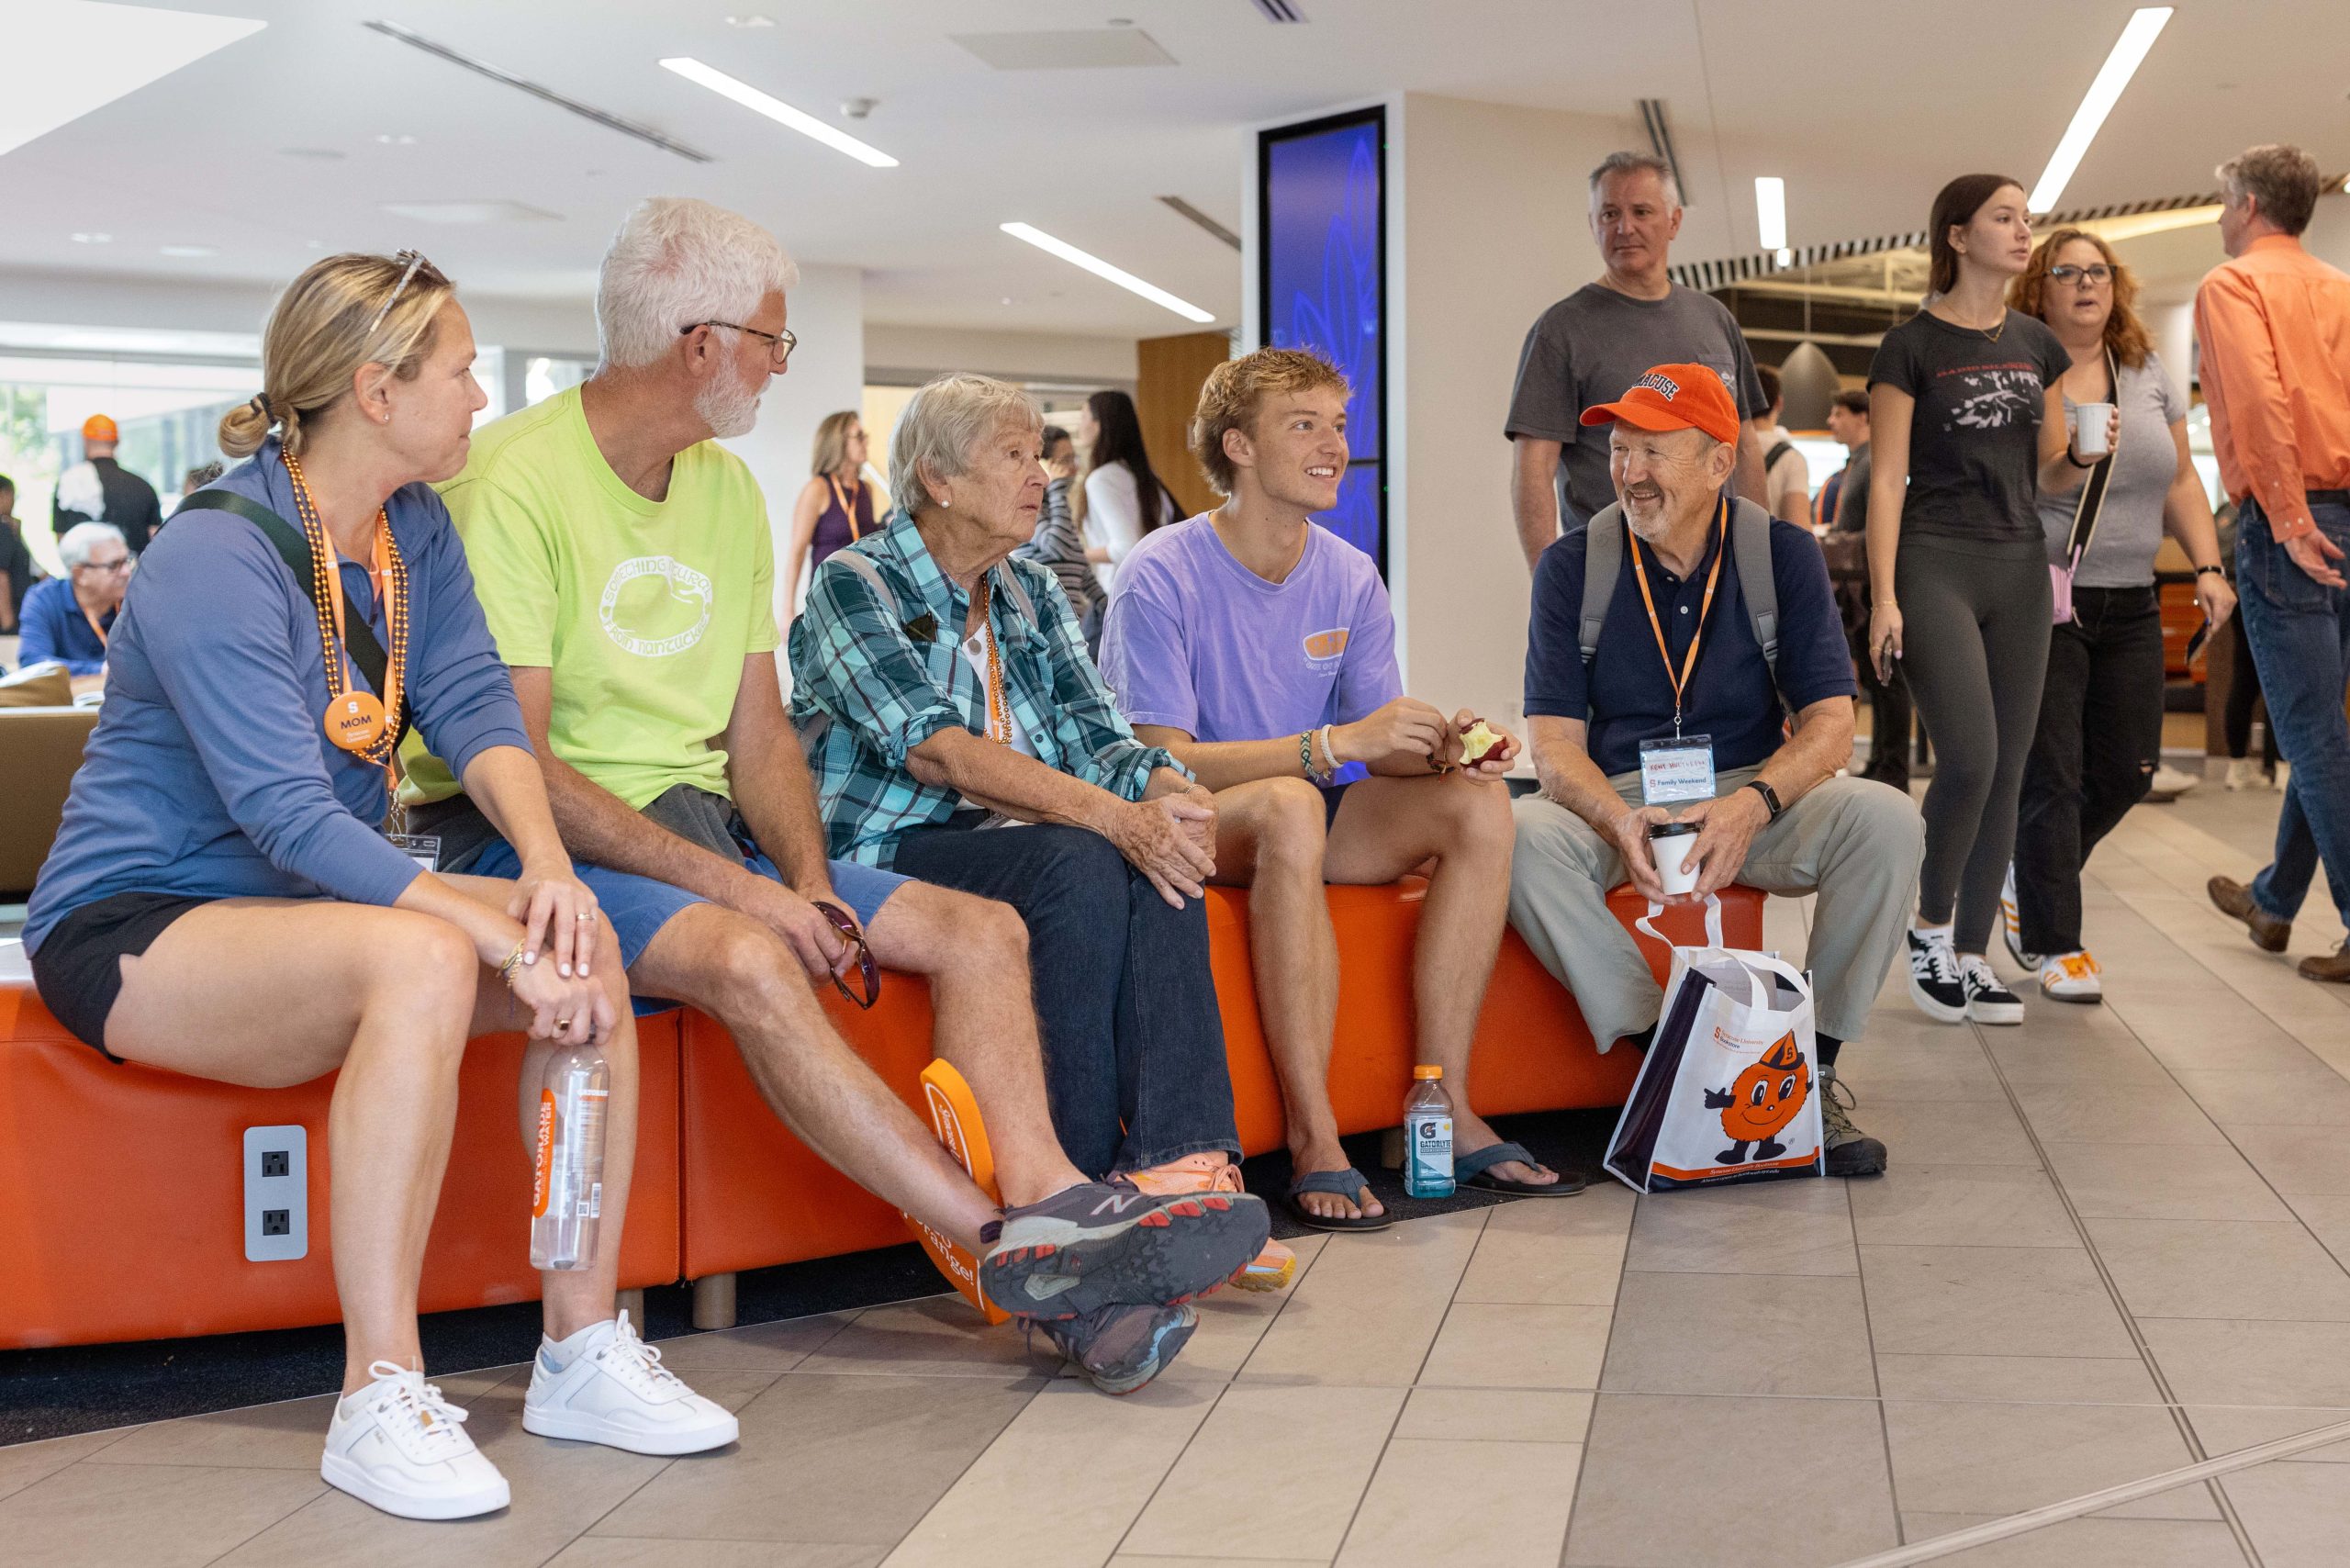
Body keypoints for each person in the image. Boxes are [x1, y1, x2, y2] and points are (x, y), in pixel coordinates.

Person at [408, 199, 1267, 1395]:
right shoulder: (512, 483)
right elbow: (527, 769)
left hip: (702, 829)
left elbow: (759, 732)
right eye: (769, 338)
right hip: (528, 835)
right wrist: (748, 898)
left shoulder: (721, 490)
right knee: (764, 959)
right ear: (696, 342)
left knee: (984, 928)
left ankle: (1065, 1208)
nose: (777, 362)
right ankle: (1011, 1253)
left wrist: (805, 880)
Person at [22, 251, 739, 1522]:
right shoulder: (212, 552)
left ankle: (579, 1347)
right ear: (374, 389)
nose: (478, 399)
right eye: (459, 373)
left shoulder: (413, 534)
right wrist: (480, 922)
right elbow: (287, 813)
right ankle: (379, 1393)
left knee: (586, 956)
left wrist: (554, 881)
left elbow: (474, 711)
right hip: (139, 924)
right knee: (421, 954)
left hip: (308, 918)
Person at [791, 371, 1290, 1287]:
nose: (1042, 477)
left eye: (1039, 454)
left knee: (1146, 845)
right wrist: (1115, 815)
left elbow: (1099, 735)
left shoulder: (1028, 590)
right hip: (891, 844)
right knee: (1080, 854)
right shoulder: (854, 580)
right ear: (939, 479)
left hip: (1019, 840)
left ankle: (1180, 1168)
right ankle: (1075, 1194)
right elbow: (934, 752)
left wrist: (1167, 792)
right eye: (1014, 456)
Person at [1099, 347, 1569, 1230]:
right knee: (1292, 801)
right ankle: (1315, 1138)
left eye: (1340, 426)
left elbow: (1373, 743)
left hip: (1310, 810)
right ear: (1236, 445)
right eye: (1303, 425)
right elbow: (1154, 760)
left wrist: (1439, 748)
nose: (1333, 447)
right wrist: (1329, 747)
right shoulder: (1159, 573)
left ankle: (1445, 1109)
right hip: (1197, 817)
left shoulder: (1350, 573)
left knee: (1474, 803)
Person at [1509, 364, 1916, 1178]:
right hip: (1618, 793)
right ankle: (1668, 1057)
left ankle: (1810, 1071)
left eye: (1653, 452)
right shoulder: (1572, 566)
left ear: (1720, 463)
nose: (1628, 472)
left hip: (1750, 785)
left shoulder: (1782, 556)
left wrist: (1755, 803)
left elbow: (1834, 726)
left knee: (1888, 820)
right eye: (1620, 450)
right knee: (1517, 835)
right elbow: (1552, 746)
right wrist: (1616, 819)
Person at [1865, 174, 2109, 1026]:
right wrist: (1884, 597)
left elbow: (2044, 470)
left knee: (2010, 767)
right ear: (1958, 237)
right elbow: (1888, 480)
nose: (2022, 229)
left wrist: (2080, 455)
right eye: (2004, 217)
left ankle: (1971, 954)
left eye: (2025, 216)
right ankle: (1929, 931)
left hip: (2018, 563)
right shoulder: (1909, 346)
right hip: (1934, 561)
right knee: (1968, 756)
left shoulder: (2040, 344)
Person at [2002, 230, 2235, 1002]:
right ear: (2039, 288)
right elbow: (2023, 484)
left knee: (2129, 770)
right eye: (2066, 272)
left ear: (2115, 286)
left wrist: (2207, 565)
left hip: (2133, 598)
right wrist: (2075, 455)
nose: (2084, 284)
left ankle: (2025, 875)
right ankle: (2055, 943)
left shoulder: (2144, 371)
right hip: (2049, 594)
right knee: (2055, 774)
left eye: (2097, 272)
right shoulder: (2022, 371)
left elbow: (2181, 483)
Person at [2193, 145, 2350, 986]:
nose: (2221, 219)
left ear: (2249, 205)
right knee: (2321, 722)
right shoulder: (2340, 288)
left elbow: (2257, 402)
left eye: (2222, 204)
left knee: (2314, 733)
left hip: (2294, 523)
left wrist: (2286, 518)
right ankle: (2275, 900)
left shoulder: (2233, 285)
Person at [1506, 151, 1770, 569]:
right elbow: (1533, 469)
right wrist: (1548, 581)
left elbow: (1746, 445)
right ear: (1592, 225)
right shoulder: (1561, 330)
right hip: (1610, 573)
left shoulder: (1715, 319)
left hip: (1717, 572)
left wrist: (1758, 558)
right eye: (1609, 214)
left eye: (1641, 211)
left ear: (1674, 221)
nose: (1624, 227)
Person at [1822, 390, 1911, 790]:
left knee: (1889, 679)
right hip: (1860, 588)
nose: (1830, 421)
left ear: (1863, 418)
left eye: (1838, 413)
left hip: (1876, 586)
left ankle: (1893, 765)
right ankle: (1881, 761)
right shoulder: (1858, 463)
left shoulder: (1875, 462)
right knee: (1877, 679)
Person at [1074, 387, 1178, 597]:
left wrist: (1077, 556)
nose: (1080, 425)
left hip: (1120, 593)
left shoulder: (1101, 479)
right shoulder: (1144, 476)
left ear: (1098, 424)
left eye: (1084, 416)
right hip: (1157, 591)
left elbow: (1125, 548)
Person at [783, 409, 881, 610]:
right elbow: (797, 551)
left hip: (863, 594)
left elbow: (866, 539)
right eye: (859, 436)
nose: (866, 442)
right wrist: (788, 610)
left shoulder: (865, 489)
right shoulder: (818, 489)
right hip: (827, 597)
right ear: (838, 442)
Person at [1013, 423, 1105, 638]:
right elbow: (1058, 546)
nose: (1072, 468)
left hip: (1071, 630)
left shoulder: (1058, 510)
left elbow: (1080, 569)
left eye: (1073, 458)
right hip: (1041, 632)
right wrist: (1057, 490)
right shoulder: (1028, 509)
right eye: (1064, 461)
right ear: (1042, 464)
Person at [19, 521, 129, 693]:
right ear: (79, 574)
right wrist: (99, 671)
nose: (126, 572)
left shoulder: (135, 601)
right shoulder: (44, 599)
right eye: (114, 565)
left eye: (127, 561)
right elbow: (34, 664)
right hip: (63, 712)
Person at [50, 413, 163, 554]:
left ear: (85, 441)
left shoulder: (69, 484)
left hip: (88, 573)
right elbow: (156, 539)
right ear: (117, 442)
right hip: (134, 573)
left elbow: (63, 541)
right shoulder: (144, 487)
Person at [1752, 364, 1812, 527]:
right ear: (1779, 402)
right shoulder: (1791, 459)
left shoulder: (1722, 448)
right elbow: (1798, 525)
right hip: (1766, 550)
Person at [0, 474, 45, 633]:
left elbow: (37, 570)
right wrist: (8, 624)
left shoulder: (9, 528)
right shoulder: (3, 529)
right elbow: (1, 576)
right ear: (4, 494)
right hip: (10, 617)